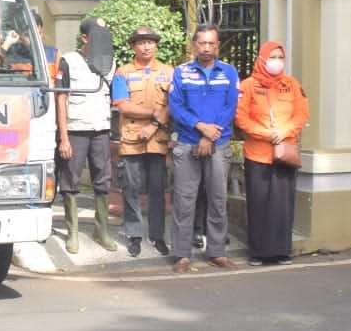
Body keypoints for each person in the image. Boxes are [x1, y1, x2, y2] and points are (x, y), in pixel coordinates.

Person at [168, 24, 238, 272]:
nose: (207, 48)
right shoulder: (182, 72)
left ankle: (217, 252)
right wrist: (199, 127)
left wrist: (210, 135)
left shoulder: (229, 73)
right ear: (194, 45)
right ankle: (182, 254)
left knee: (218, 199)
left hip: (218, 144)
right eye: (202, 43)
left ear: (218, 46)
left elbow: (230, 108)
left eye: (212, 43)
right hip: (187, 143)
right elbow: (175, 107)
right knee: (184, 200)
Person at [235, 41, 309, 265]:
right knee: (259, 204)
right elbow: (241, 118)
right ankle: (258, 252)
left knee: (283, 205)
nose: (277, 61)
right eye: (272, 56)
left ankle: (281, 251)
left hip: (285, 153)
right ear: (262, 59)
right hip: (257, 154)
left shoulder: (291, 84)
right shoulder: (248, 86)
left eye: (280, 57)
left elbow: (302, 113)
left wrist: (285, 131)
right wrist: (266, 134)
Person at [111, 26, 173, 257]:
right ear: (133, 46)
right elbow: (122, 104)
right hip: (131, 141)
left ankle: (157, 236)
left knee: (158, 191)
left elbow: (172, 105)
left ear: (156, 45)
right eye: (141, 42)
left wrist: (154, 125)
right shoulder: (122, 73)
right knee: (131, 190)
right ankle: (134, 235)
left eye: (150, 42)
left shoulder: (169, 72)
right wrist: (152, 114)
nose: (146, 46)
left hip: (158, 141)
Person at [56, 17, 116, 254]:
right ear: (84, 38)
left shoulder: (110, 63)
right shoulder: (68, 61)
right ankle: (72, 232)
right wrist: (63, 137)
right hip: (75, 131)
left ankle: (101, 231)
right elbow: (61, 98)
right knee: (70, 181)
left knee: (103, 180)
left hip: (101, 130)